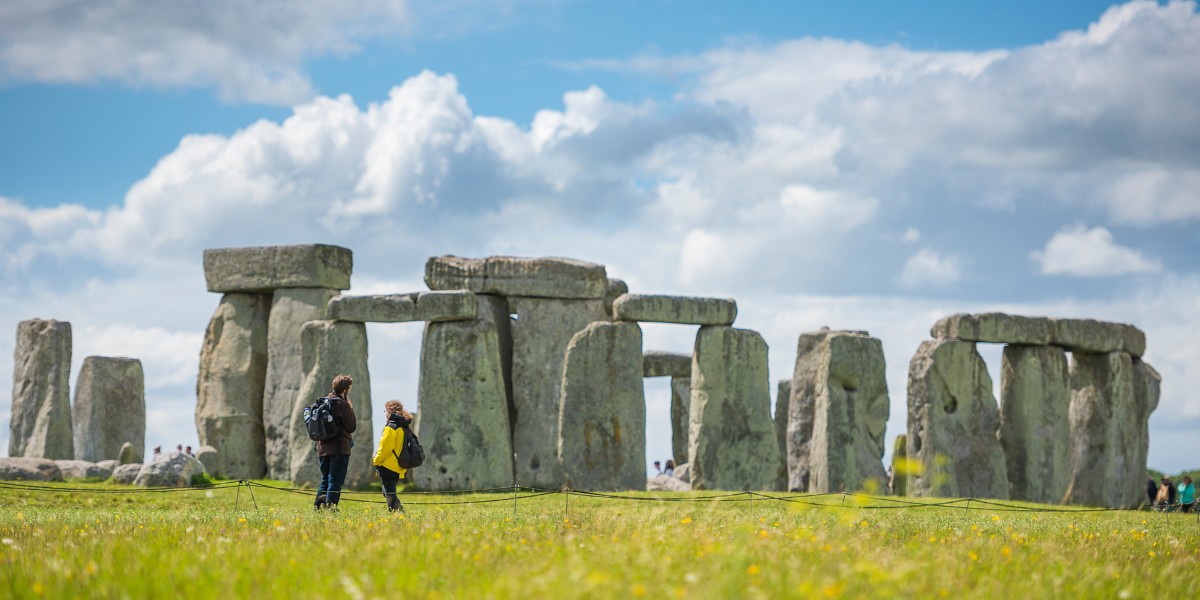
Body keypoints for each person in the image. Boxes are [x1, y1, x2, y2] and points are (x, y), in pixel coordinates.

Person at [314, 374, 357, 510]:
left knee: (325, 479)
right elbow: (351, 426)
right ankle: (330, 509)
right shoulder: (342, 404)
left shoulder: (324, 401)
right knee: (335, 480)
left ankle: (319, 507)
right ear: (346, 389)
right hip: (339, 448)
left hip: (322, 448)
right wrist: (350, 408)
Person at [372, 400, 413, 513]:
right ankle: (400, 512)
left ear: (389, 411)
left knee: (389, 493)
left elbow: (385, 448)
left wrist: (376, 461)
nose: (384, 413)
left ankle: (397, 515)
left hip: (388, 464)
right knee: (387, 491)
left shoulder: (391, 427)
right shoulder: (403, 426)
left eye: (385, 410)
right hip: (399, 464)